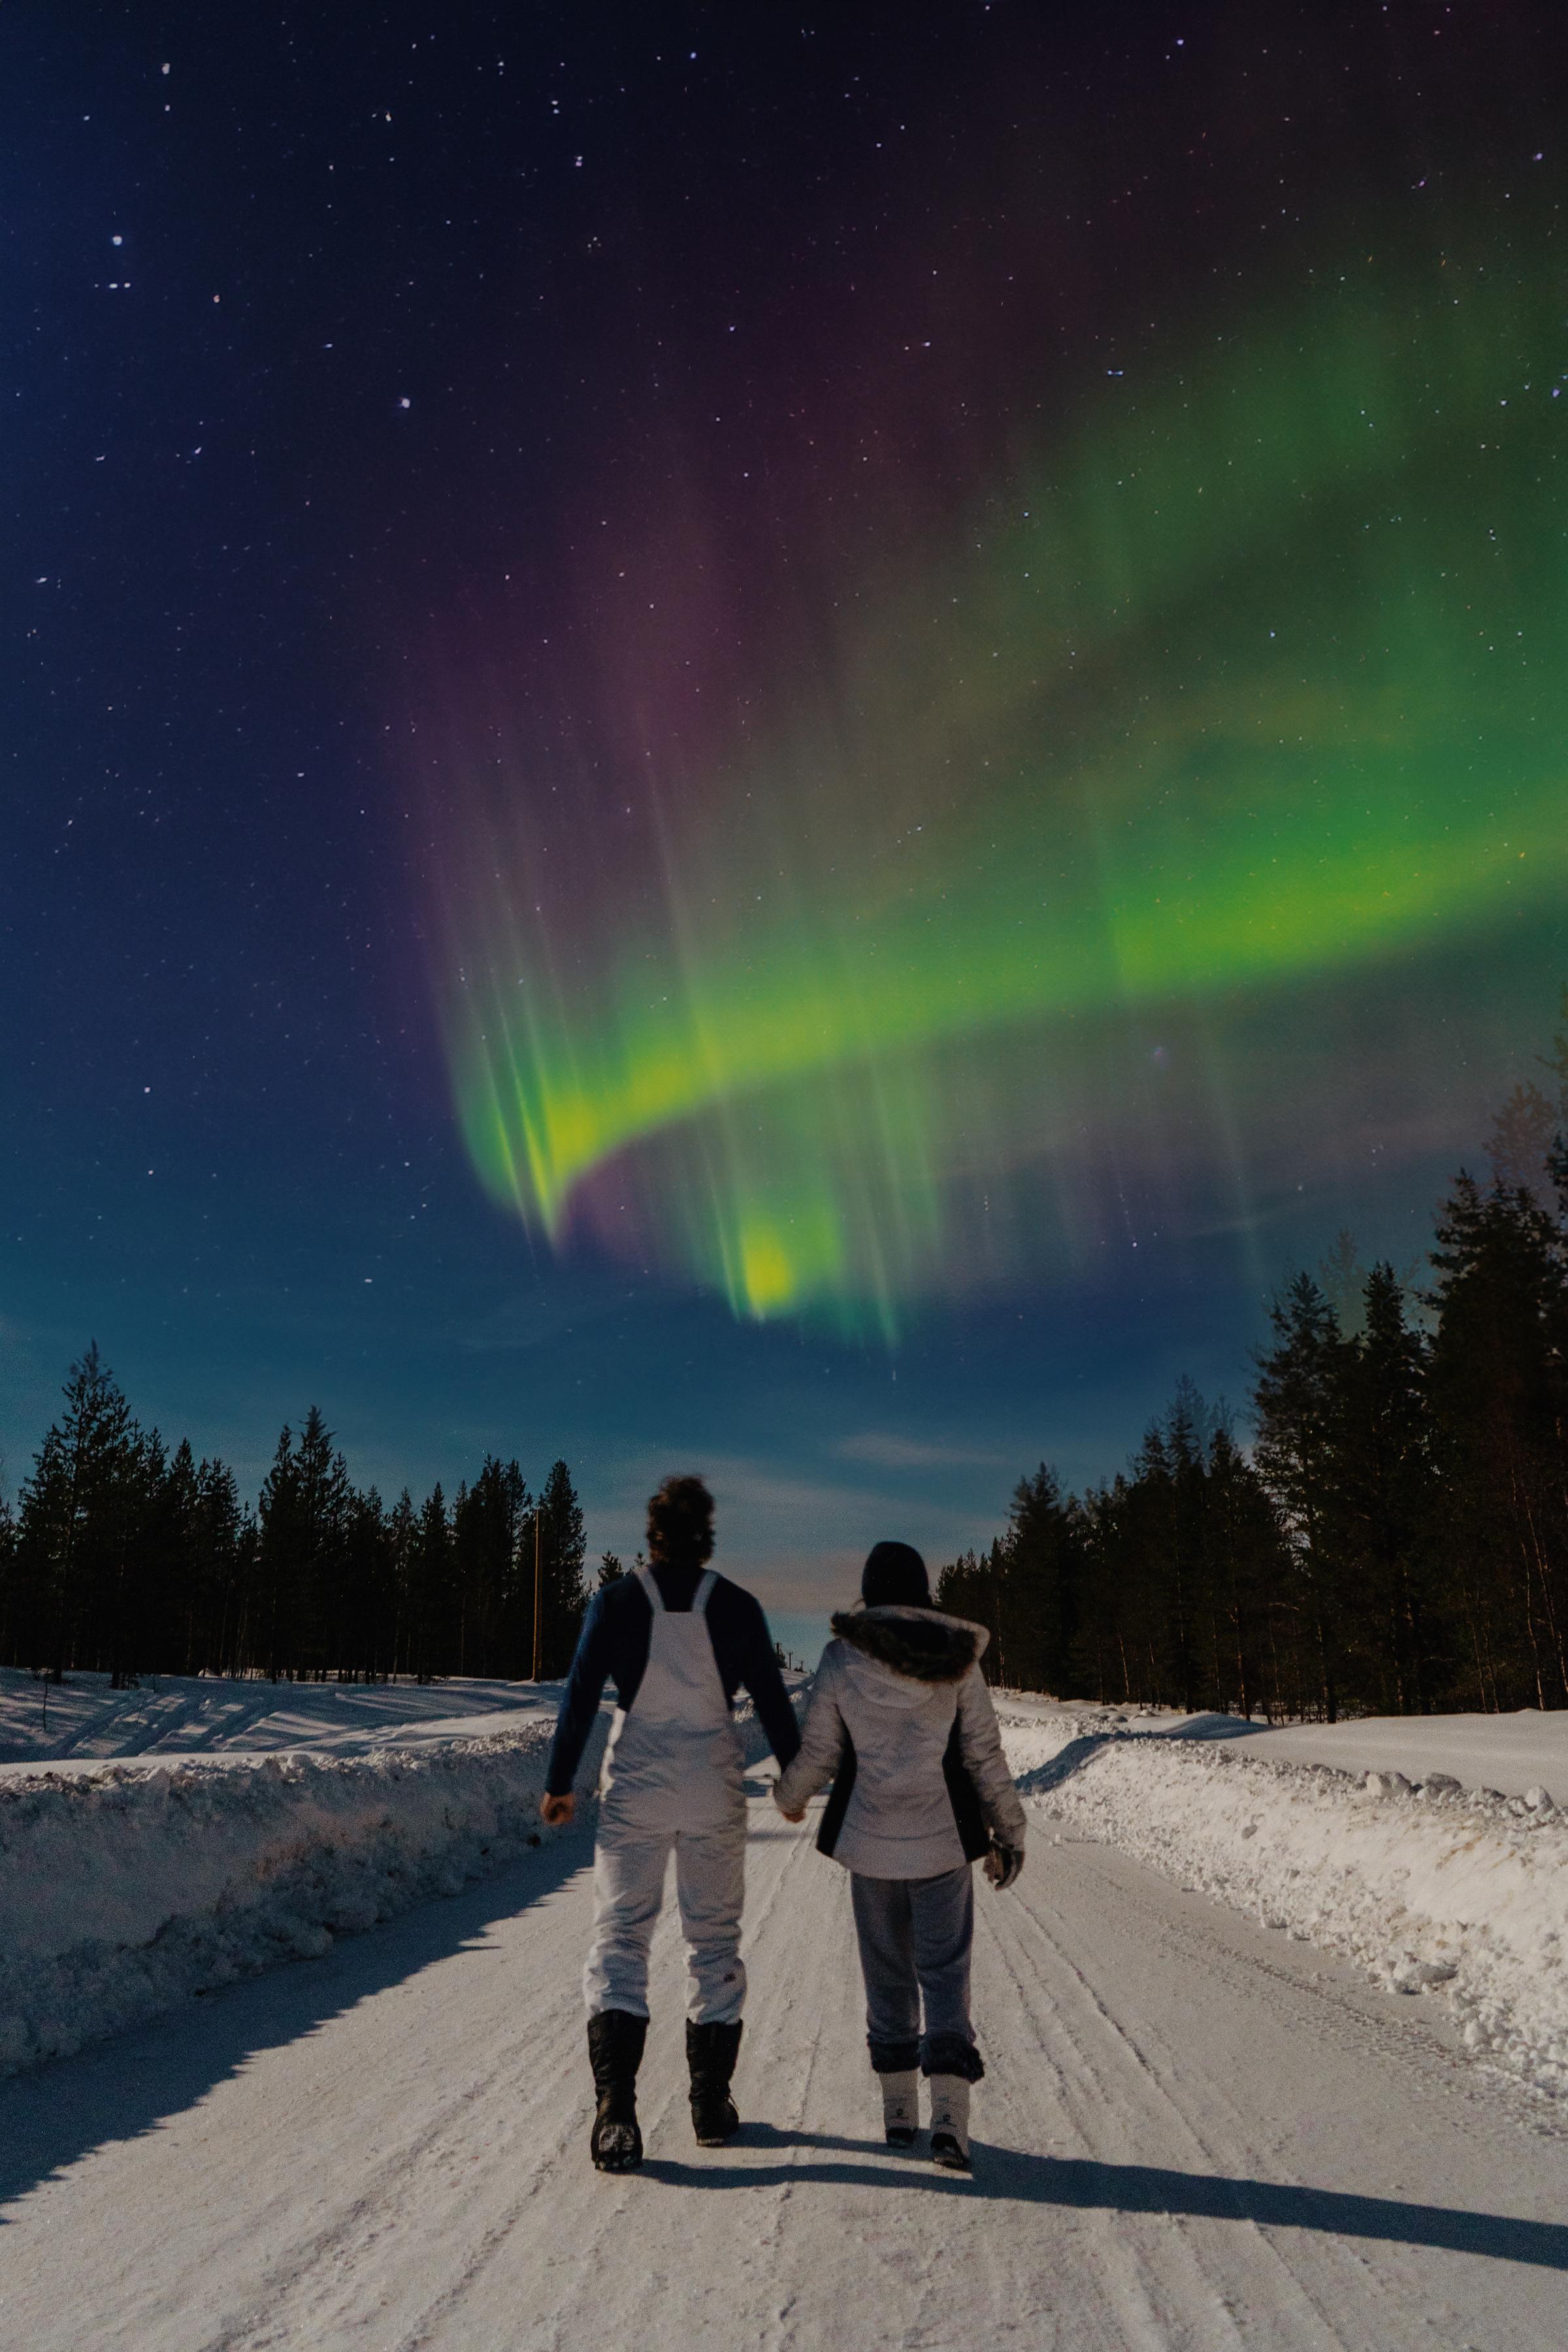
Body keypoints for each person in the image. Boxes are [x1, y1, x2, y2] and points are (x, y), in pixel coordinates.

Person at [540, 1473, 801, 2172]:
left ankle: (615, 2110)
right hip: (713, 1783)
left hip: (637, 1785)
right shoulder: (738, 1607)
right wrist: (797, 1782)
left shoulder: (617, 1603)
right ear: (706, 1537)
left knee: (622, 1934)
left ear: (651, 1539)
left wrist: (560, 1782)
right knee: (712, 1938)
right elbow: (775, 1703)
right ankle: (710, 2105)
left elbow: (579, 1697)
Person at [772, 1540, 1025, 2174]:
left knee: (887, 1974)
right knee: (944, 1975)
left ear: (871, 1592)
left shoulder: (839, 1659)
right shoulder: (960, 1662)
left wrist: (789, 1796)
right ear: (922, 1593)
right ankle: (950, 2125)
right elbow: (982, 1757)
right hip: (942, 1843)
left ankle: (897, 2116)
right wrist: (1009, 1832)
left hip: (871, 1845)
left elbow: (822, 1752)